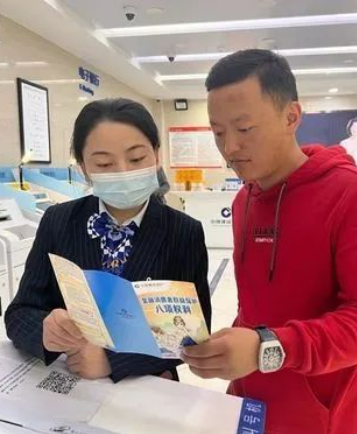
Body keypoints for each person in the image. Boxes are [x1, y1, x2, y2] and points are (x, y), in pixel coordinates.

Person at [181, 50, 357, 433]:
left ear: (291, 117)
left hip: (329, 415)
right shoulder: (244, 200)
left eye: (244, 129)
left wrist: (267, 348)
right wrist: (230, 354)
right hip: (254, 403)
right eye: (218, 133)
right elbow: (255, 306)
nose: (229, 148)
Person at [4, 98, 211, 382]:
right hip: (70, 381)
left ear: (156, 155)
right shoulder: (58, 221)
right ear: (83, 168)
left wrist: (114, 362)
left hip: (148, 383)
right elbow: (18, 314)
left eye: (136, 159)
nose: (123, 172)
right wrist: (46, 332)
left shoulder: (183, 232)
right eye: (104, 163)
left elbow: (192, 335)